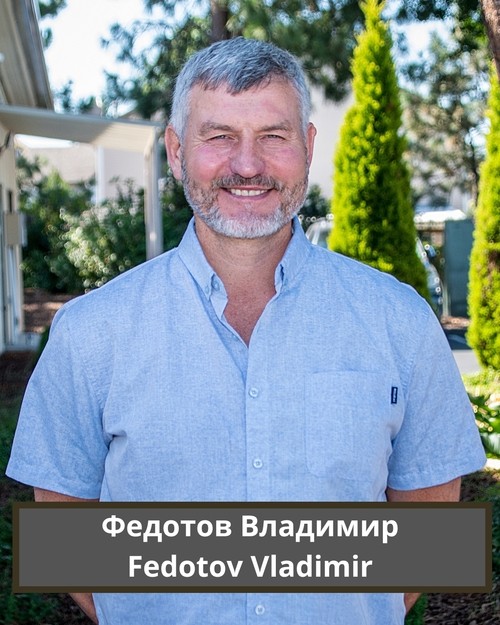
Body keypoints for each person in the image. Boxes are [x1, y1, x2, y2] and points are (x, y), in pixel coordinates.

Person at [7, 37, 485, 625]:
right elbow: (62, 522)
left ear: (308, 147)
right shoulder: (90, 332)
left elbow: (430, 522)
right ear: (176, 151)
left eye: (273, 136)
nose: (248, 165)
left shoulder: (399, 320)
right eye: (220, 136)